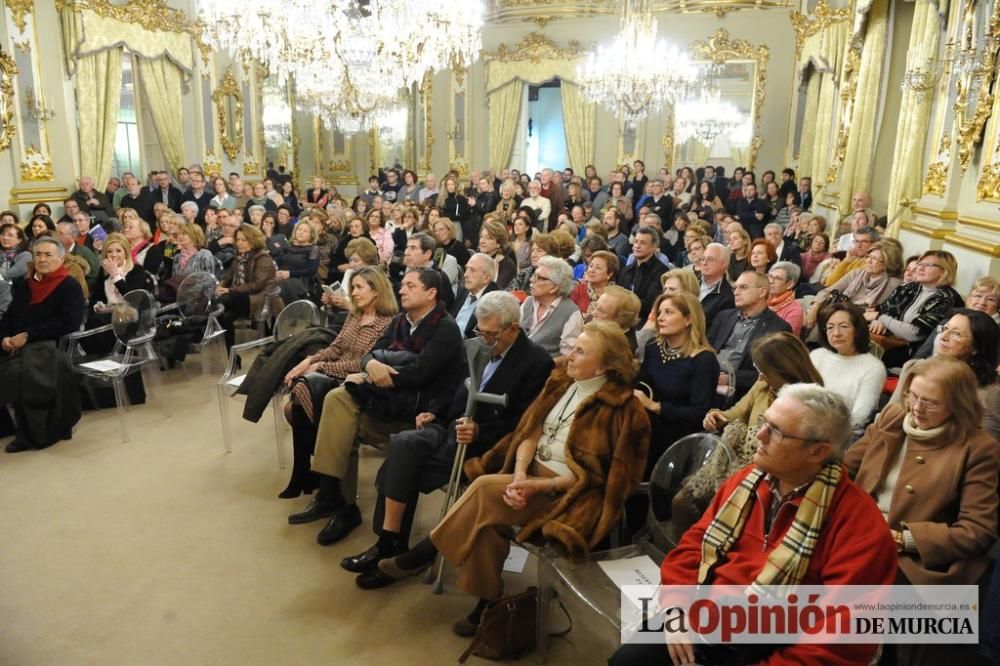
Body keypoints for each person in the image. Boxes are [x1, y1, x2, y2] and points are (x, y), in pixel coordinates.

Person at [371, 322, 650, 636]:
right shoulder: (560, 382)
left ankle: (425, 552)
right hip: (524, 473)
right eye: (573, 347)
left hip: (570, 497)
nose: (568, 356)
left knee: (484, 489)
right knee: (488, 521)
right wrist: (519, 474)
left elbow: (609, 480)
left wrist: (538, 485)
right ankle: (487, 603)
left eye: (580, 351)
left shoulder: (626, 410)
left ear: (606, 365)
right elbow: (529, 432)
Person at [610, 383, 896, 666]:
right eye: (764, 422)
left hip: (773, 647)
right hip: (699, 618)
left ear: (818, 452)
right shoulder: (747, 480)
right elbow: (693, 548)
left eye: (776, 432)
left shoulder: (860, 524)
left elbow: (840, 639)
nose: (759, 435)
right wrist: (675, 610)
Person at [344, 292, 555, 585]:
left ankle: (397, 551)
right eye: (480, 331)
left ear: (513, 329)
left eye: (492, 334)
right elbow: (453, 385)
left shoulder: (536, 362)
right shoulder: (477, 341)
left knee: (404, 465)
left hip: (482, 443)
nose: (484, 339)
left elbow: (524, 422)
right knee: (405, 443)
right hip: (448, 424)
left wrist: (481, 431)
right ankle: (389, 542)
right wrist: (433, 411)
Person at [287, 268, 464, 546]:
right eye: (402, 284)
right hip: (387, 401)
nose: (402, 289)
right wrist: (371, 365)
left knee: (344, 420)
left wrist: (375, 371)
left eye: (410, 285)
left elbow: (419, 374)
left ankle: (336, 499)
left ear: (431, 293)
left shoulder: (446, 329)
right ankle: (338, 500)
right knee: (338, 399)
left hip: (419, 412)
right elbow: (370, 353)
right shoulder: (400, 321)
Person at [845, 356, 998, 664]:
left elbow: (977, 531)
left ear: (958, 404)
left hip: (922, 565)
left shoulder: (979, 448)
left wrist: (903, 540)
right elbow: (843, 472)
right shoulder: (892, 418)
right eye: (913, 396)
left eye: (931, 403)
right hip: (860, 538)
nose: (916, 409)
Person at [278, 267, 398, 498]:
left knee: (298, 399)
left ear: (376, 291)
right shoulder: (355, 314)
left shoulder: (388, 323)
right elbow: (336, 348)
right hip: (331, 373)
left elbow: (364, 364)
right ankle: (310, 473)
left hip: (355, 381)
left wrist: (321, 367)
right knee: (296, 400)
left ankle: (306, 474)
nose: (353, 293)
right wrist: (310, 360)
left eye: (359, 287)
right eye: (353, 287)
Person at [0, 237, 85, 452]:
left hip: (49, 344)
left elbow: (69, 321)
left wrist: (29, 335)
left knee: (19, 373)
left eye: (48, 255)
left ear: (60, 257)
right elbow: (9, 317)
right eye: (38, 254)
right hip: (17, 343)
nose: (42, 259)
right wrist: (5, 338)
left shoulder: (69, 286)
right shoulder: (24, 285)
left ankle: (33, 433)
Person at [634, 291, 719, 474]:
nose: (660, 318)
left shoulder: (703, 359)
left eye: (669, 312)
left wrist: (656, 407)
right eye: (659, 312)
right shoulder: (652, 348)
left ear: (688, 319)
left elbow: (700, 413)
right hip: (648, 422)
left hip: (679, 434)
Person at [895, 309, 1000, 439]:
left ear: (976, 348)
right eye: (945, 328)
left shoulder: (989, 393)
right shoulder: (915, 368)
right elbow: (892, 416)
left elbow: (987, 444)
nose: (943, 337)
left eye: (956, 333)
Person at [865, 250, 964, 365]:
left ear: (945, 271)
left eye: (928, 266)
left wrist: (881, 318)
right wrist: (878, 320)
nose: (920, 268)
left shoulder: (948, 299)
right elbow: (881, 310)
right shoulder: (908, 287)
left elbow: (915, 333)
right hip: (886, 345)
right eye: (920, 264)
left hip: (913, 356)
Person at [708, 271, 792, 400]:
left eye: (743, 287)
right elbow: (705, 349)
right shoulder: (723, 317)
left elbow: (773, 372)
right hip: (708, 379)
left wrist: (731, 378)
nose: (736, 292)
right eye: (735, 288)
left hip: (742, 391)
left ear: (762, 292)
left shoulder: (778, 328)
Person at [810, 303, 887, 436]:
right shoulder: (817, 356)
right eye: (830, 327)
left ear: (857, 330)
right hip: (807, 425)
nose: (836, 333)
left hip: (843, 435)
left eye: (844, 327)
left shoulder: (873, 367)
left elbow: (859, 417)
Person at [216, 225, 279, 349]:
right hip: (240, 297)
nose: (239, 243)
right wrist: (220, 286)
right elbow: (228, 277)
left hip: (259, 299)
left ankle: (197, 324)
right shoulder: (239, 257)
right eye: (238, 240)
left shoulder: (263, 258)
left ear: (253, 240)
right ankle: (232, 358)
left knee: (222, 301)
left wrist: (230, 290)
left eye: (243, 240)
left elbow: (257, 285)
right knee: (224, 316)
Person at [520, 256, 584, 361]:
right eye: (534, 275)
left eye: (540, 278)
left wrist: (543, 366)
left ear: (554, 287)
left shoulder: (571, 313)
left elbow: (568, 356)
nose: (532, 280)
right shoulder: (528, 302)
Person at [618, 226, 669, 322]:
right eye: (636, 241)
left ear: (653, 247)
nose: (637, 246)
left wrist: (623, 305)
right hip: (622, 318)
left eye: (643, 243)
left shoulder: (661, 271)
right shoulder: (626, 270)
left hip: (644, 321)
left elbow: (651, 303)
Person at [450, 253, 498, 338]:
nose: (465, 275)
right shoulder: (463, 290)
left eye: (472, 270)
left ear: (486, 278)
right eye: (466, 269)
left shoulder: (495, 301)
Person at [274, 221, 320, 303]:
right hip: (282, 276)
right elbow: (278, 262)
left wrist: (290, 273)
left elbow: (312, 270)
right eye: (299, 230)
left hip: (301, 279)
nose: (301, 233)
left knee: (284, 285)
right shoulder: (287, 246)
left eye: (305, 231)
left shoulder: (313, 249)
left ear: (311, 235)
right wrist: (278, 272)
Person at [569, 250, 618, 320]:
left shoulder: (616, 296)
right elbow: (568, 315)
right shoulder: (578, 289)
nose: (591, 270)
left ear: (609, 274)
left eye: (598, 268)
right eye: (591, 266)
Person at [766, 261, 803, 335]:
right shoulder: (759, 299)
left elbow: (782, 339)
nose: (771, 281)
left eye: (778, 278)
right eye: (770, 276)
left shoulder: (794, 311)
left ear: (789, 284)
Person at [477, 219, 515, 289]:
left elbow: (498, 290)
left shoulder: (507, 264)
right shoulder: (476, 258)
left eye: (488, 238)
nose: (482, 241)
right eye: (481, 237)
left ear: (498, 243)